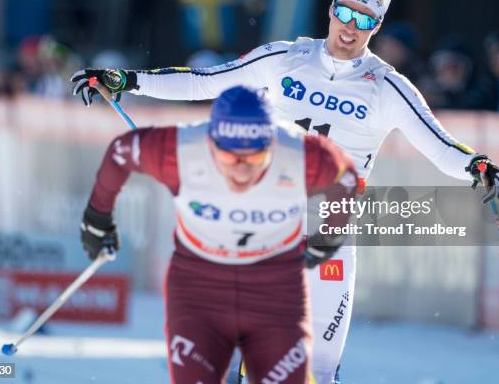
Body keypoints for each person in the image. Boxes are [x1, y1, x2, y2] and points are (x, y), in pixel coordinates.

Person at [72, 0, 499, 383]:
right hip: (263, 223)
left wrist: (476, 165)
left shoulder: (388, 86)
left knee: (317, 371)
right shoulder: (286, 57)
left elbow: (439, 144)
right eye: (344, 12)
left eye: (364, 18)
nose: (350, 26)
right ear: (331, 8)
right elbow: (205, 81)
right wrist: (126, 80)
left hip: (330, 236)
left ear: (377, 24)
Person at [79, 85, 358, 384]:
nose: (240, 171)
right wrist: (98, 217)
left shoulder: (299, 153)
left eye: (253, 159)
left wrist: (329, 236)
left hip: (275, 290)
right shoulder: (182, 148)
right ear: (211, 142)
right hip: (200, 291)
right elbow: (120, 153)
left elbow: (347, 178)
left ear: (271, 144)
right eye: (228, 158)